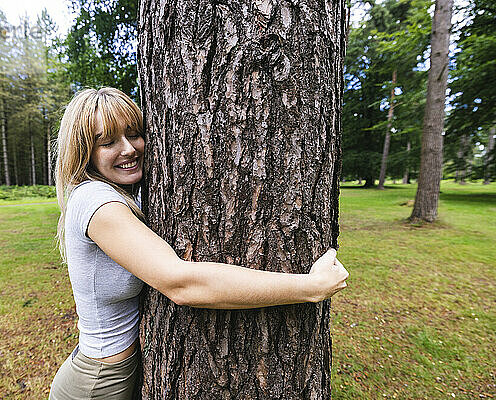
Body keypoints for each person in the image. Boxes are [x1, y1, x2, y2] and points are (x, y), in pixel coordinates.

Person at [48, 87, 349, 400]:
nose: (128, 149)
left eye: (134, 134)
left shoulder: (122, 194)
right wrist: (309, 287)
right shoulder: (95, 200)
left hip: (114, 373)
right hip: (97, 384)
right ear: (85, 151)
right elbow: (181, 284)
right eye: (108, 142)